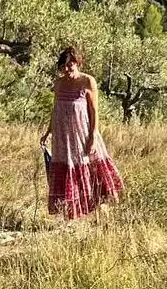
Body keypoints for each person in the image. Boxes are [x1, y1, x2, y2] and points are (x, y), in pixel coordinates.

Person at [41, 46, 124, 219]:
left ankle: (100, 212)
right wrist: (49, 131)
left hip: (82, 134)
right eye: (63, 66)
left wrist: (93, 136)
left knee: (89, 169)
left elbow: (94, 112)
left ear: (77, 63)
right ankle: (71, 214)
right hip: (62, 137)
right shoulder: (58, 83)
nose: (67, 69)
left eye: (70, 65)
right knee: (66, 170)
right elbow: (55, 109)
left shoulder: (88, 81)